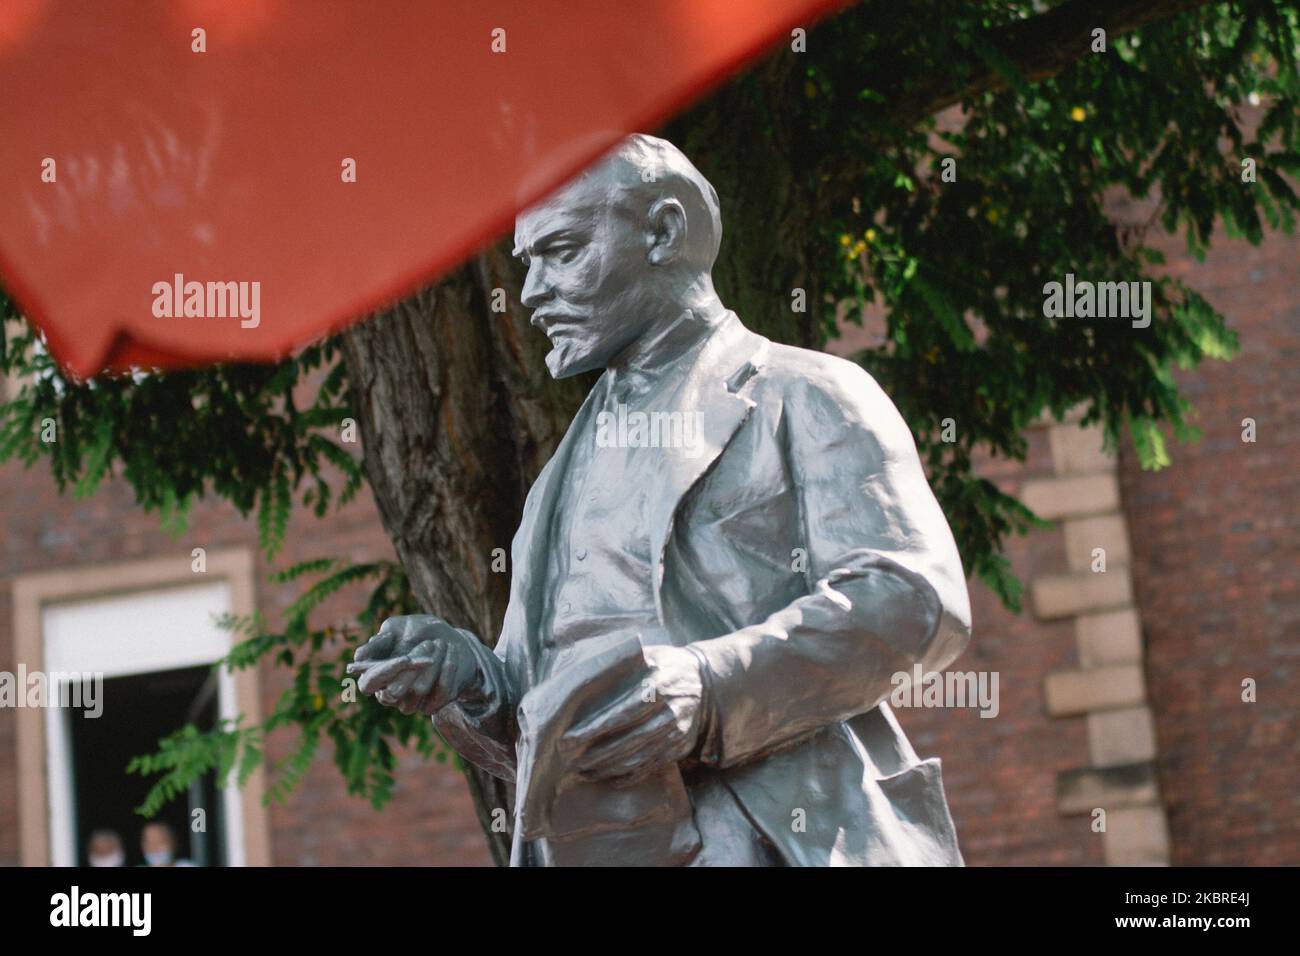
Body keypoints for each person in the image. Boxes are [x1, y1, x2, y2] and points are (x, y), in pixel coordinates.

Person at [350, 134, 972, 866]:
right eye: (528, 265)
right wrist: (468, 682)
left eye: (563, 251)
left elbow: (913, 598)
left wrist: (709, 689)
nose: (532, 292)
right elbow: (538, 721)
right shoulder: (559, 477)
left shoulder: (803, 393)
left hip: (776, 835)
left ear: (665, 231)